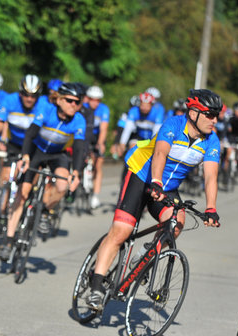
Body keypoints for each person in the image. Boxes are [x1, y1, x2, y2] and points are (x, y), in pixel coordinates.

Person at [86, 89, 223, 310]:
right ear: (194, 113)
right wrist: (156, 181)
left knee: (176, 224)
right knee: (122, 231)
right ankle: (96, 286)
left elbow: (211, 176)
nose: (214, 120)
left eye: (217, 115)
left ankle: (144, 255)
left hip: (168, 188)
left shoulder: (212, 140)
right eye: (210, 114)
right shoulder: (174, 125)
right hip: (142, 176)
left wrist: (211, 208)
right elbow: (159, 154)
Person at [0, 82, 86, 259]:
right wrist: (25, 155)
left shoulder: (79, 120)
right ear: (59, 100)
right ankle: (8, 240)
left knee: (63, 185)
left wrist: (76, 172)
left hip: (56, 154)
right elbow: (30, 134)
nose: (74, 105)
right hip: (36, 151)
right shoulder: (47, 110)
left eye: (78, 102)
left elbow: (79, 148)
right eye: (70, 101)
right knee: (23, 194)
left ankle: (44, 211)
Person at [0, 74, 44, 188]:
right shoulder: (10, 100)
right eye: (26, 95)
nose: (29, 99)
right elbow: (0, 123)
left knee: (30, 184)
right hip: (14, 143)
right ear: (20, 93)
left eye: (33, 96)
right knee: (6, 179)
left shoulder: (42, 105)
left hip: (34, 146)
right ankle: (3, 204)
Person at [83, 85, 110, 209]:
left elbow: (103, 129)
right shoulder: (83, 107)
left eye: (97, 100)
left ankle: (95, 195)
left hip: (97, 137)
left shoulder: (104, 109)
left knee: (98, 163)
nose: (95, 102)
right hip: (84, 135)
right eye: (92, 99)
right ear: (88, 98)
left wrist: (100, 144)